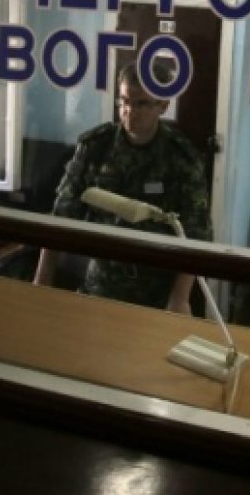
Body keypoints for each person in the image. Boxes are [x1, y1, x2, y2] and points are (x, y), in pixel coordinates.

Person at [33, 62, 212, 314]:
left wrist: (180, 298)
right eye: (124, 101)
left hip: (158, 293)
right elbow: (61, 217)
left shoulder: (181, 159)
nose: (129, 111)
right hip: (101, 286)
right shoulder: (96, 148)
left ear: (163, 105)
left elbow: (196, 234)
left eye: (141, 104)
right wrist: (42, 281)